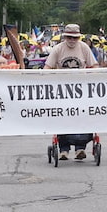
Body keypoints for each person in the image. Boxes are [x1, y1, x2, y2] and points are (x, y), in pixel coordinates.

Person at [44, 23, 98, 160]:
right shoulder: (58, 49)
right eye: (69, 37)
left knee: (82, 117)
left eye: (75, 38)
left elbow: (94, 66)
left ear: (78, 38)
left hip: (82, 91)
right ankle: (64, 149)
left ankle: (80, 148)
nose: (72, 40)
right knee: (63, 118)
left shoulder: (84, 48)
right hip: (62, 91)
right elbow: (47, 67)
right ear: (65, 37)